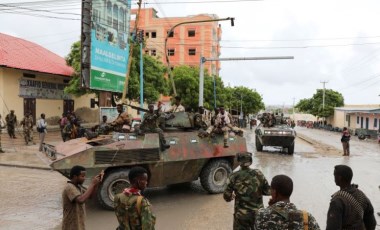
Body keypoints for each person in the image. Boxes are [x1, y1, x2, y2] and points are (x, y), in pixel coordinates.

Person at [223, 152, 271, 230]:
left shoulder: (233, 176)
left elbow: (227, 197)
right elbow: (267, 191)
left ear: (238, 161)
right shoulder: (259, 173)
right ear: (250, 160)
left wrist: (231, 196)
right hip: (258, 214)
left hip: (241, 216)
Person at [255, 175, 320, 230]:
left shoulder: (261, 215)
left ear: (274, 192)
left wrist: (271, 208)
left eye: (271, 190)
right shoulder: (307, 217)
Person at [326, 165, 376, 230]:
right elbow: (371, 223)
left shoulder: (337, 201)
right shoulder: (361, 194)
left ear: (339, 177)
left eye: (334, 175)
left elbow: (332, 227)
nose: (334, 178)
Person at [62, 165, 101, 230]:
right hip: (70, 225)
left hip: (79, 224)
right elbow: (81, 200)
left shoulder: (79, 187)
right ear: (75, 177)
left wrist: (96, 185)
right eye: (82, 176)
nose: (84, 178)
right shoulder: (69, 187)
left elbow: (90, 196)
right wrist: (92, 184)